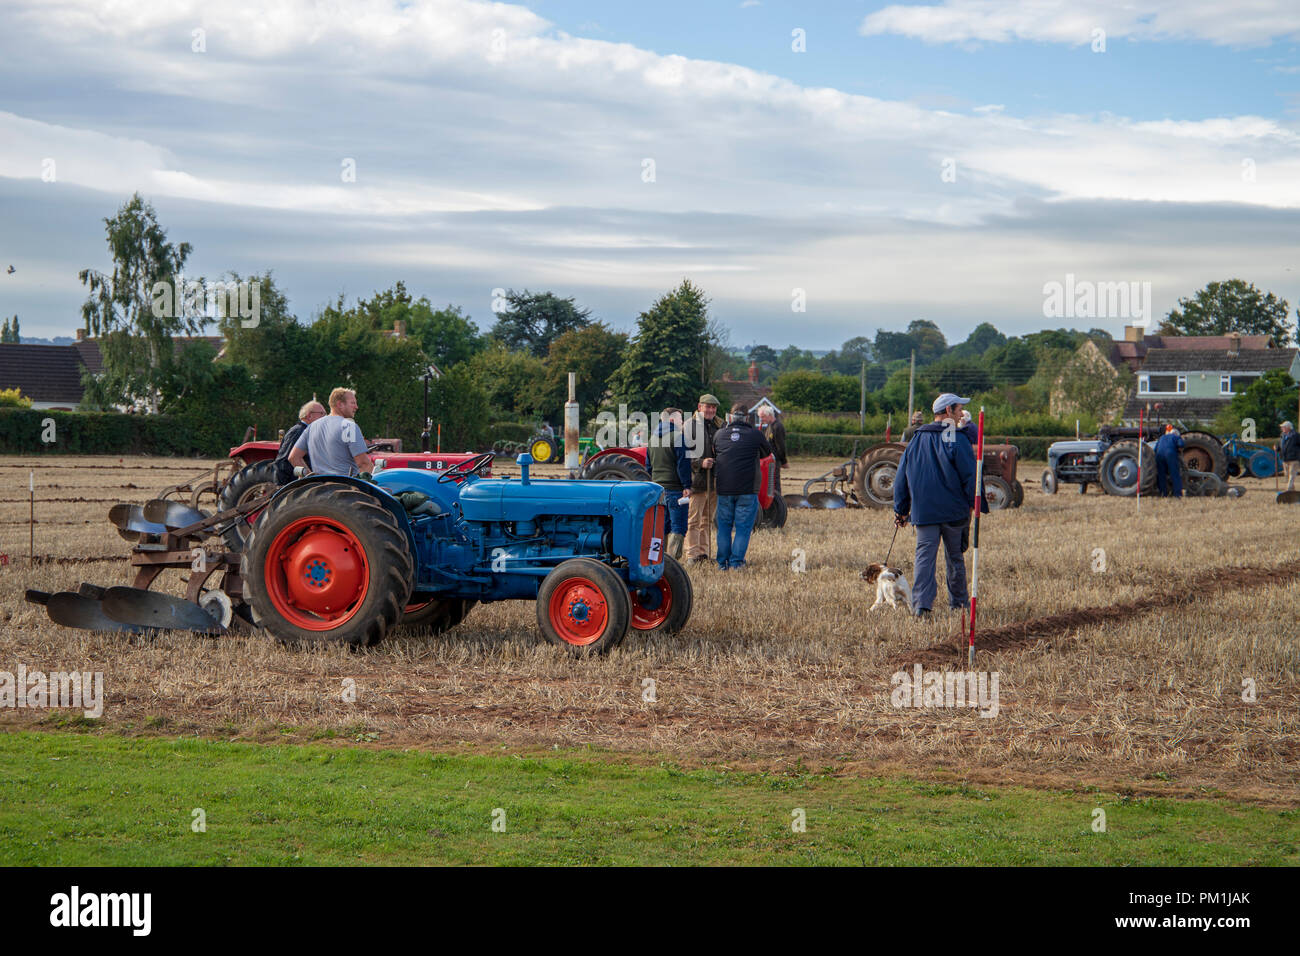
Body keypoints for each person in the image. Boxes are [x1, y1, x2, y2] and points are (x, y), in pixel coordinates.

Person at [893, 393, 977, 618]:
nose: (961, 414)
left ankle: (921, 606)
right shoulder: (956, 438)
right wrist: (973, 504)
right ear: (948, 411)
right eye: (959, 409)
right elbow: (969, 476)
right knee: (955, 557)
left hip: (924, 512)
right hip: (954, 512)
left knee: (924, 558)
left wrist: (901, 510)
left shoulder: (917, 439)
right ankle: (959, 604)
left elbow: (901, 477)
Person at [712, 402, 773, 570]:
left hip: (724, 488)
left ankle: (722, 563)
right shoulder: (755, 434)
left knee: (723, 527)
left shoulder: (719, 434)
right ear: (747, 418)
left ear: (730, 417)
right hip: (747, 488)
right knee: (743, 528)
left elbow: (716, 452)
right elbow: (767, 453)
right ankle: (736, 563)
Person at [288, 387, 374, 479]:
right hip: (345, 486)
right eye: (352, 403)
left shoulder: (312, 427)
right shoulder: (348, 427)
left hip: (318, 486)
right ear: (340, 404)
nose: (356, 407)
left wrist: (310, 477)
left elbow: (293, 457)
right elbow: (364, 463)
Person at [682, 394, 725, 565]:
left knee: (707, 519)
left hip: (714, 481)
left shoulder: (720, 425)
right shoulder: (689, 426)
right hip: (697, 481)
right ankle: (691, 555)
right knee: (693, 520)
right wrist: (700, 462)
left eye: (714, 407)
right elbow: (682, 455)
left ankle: (704, 553)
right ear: (699, 407)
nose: (711, 410)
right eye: (708, 407)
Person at [648, 407, 692, 559]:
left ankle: (656, 558)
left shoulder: (652, 438)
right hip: (675, 490)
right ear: (672, 420)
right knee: (678, 527)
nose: (682, 422)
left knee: (659, 527)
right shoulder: (678, 437)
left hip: (657, 490)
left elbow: (648, 466)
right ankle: (672, 563)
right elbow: (683, 465)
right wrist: (687, 485)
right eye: (680, 419)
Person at [273, 400, 326, 485]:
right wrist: (310, 478)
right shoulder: (298, 431)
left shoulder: (307, 431)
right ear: (309, 416)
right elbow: (287, 462)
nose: (325, 417)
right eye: (322, 413)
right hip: (290, 485)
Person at [757, 405, 787, 494]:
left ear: (770, 415)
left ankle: (777, 502)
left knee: (775, 482)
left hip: (775, 460)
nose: (761, 420)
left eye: (763, 417)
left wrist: (783, 461)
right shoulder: (769, 427)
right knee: (769, 482)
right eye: (760, 417)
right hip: (769, 460)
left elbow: (780, 446)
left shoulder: (777, 427)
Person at [1154, 424, 1184, 498]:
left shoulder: (1161, 437)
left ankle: (1163, 493)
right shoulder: (1176, 437)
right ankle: (1177, 494)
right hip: (1170, 454)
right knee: (1175, 474)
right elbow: (1181, 444)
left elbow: (1155, 449)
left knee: (1161, 475)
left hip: (1159, 455)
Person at [1279, 421, 1298, 492]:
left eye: (1283, 427)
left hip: (1294, 458)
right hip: (1285, 458)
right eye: (1282, 427)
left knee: (1292, 474)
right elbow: (1281, 445)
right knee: (1286, 475)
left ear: (1288, 427)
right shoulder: (1282, 435)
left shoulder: (1295, 435)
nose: (1282, 428)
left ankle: (1289, 489)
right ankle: (1292, 490)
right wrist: (1277, 448)